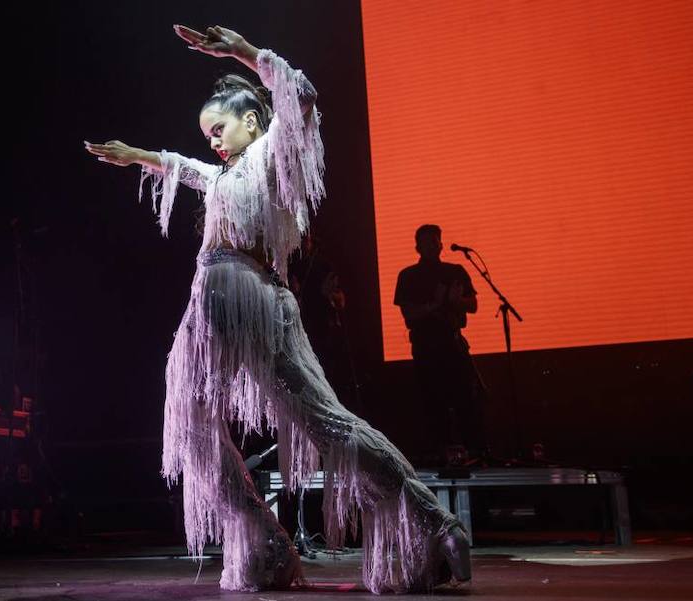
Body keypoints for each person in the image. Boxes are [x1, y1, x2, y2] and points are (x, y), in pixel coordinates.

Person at [85, 25, 470, 594]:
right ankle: (263, 542)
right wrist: (135, 156)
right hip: (215, 300)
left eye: (220, 128)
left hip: (250, 294)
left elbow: (305, 95)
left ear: (254, 122)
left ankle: (432, 522)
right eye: (207, 133)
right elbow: (182, 168)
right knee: (190, 424)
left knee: (324, 420)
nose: (213, 140)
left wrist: (243, 52)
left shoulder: (271, 152)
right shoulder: (225, 175)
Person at [394, 225, 484, 463]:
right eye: (427, 242)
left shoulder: (455, 271)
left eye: (435, 241)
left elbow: (473, 304)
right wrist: (433, 305)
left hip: (453, 343)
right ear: (417, 247)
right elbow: (408, 313)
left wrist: (456, 301)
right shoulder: (408, 275)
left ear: (441, 244)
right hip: (426, 346)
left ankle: (473, 452)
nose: (432, 246)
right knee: (434, 402)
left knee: (466, 398)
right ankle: (440, 453)